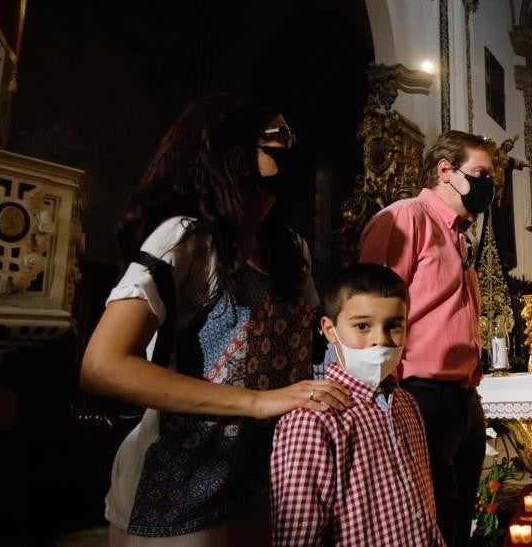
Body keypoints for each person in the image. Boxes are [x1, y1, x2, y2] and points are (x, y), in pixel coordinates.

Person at [80, 92, 352, 546]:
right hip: (179, 483)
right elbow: (102, 366)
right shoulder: (188, 238)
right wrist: (258, 401)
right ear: (234, 149)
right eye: (279, 138)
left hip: (262, 479)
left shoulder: (290, 249)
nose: (292, 149)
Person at [358, 129, 497, 547]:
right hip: (419, 394)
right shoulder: (405, 218)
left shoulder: (458, 233)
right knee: (424, 525)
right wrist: (382, 393)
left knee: (455, 525)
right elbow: (370, 308)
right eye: (480, 173)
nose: (487, 184)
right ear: (445, 171)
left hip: (462, 397)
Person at [270, 263, 444, 546]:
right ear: (329, 329)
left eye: (394, 326)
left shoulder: (406, 404)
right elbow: (297, 535)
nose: (380, 340)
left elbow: (422, 507)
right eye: (362, 326)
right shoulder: (313, 420)